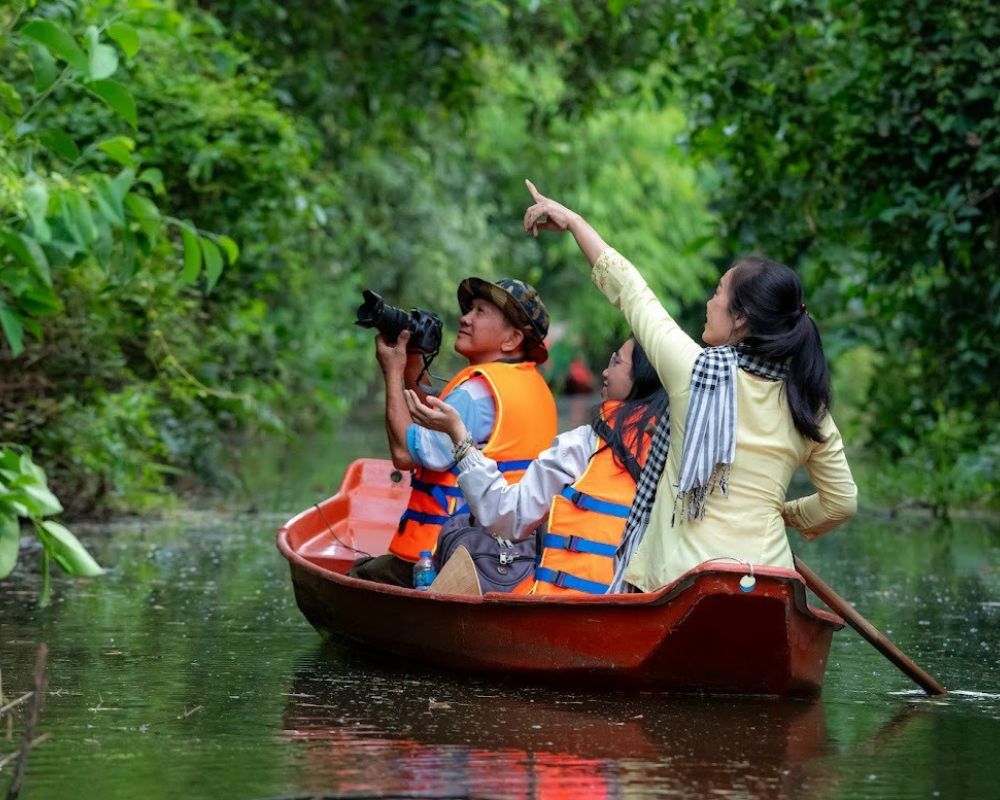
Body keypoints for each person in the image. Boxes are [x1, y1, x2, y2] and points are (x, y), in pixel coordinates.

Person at [521, 180, 858, 593]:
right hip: (769, 583)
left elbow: (630, 290)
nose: (709, 302)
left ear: (740, 318)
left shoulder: (692, 370)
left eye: (718, 293)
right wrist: (784, 514)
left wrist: (574, 222)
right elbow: (841, 503)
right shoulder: (806, 400)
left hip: (681, 583)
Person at [405, 335, 668, 595]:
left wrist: (460, 437)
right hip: (635, 611)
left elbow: (506, 516)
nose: (605, 371)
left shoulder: (584, 444)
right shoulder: (678, 451)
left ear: (641, 379)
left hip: (567, 611)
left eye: (616, 362)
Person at [348, 277, 558, 586]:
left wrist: (392, 371)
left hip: (450, 552)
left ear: (512, 340)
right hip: (512, 555)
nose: (465, 318)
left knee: (360, 575)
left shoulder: (476, 391)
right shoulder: (531, 385)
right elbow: (428, 421)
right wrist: (413, 363)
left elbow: (405, 454)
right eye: (469, 309)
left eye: (480, 312)